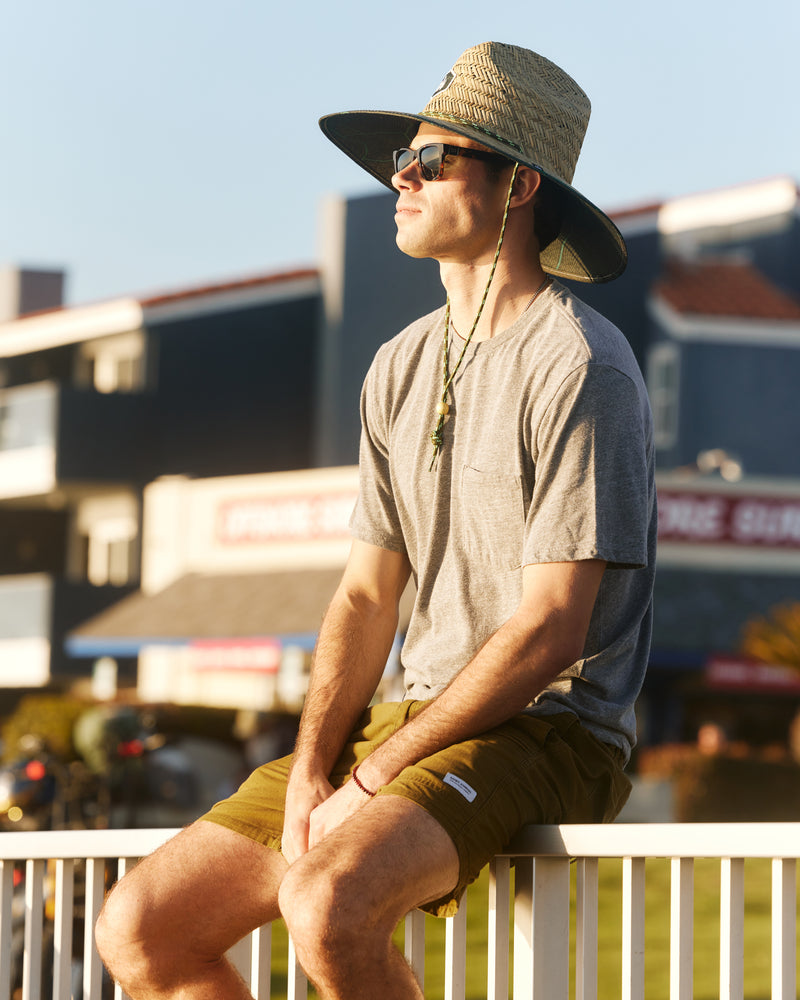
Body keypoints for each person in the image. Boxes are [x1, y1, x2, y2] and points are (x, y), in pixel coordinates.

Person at [95, 41, 656, 1000]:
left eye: (434, 159)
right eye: (404, 157)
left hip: (551, 728)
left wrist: (371, 778)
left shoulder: (581, 367)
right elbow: (365, 594)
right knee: (141, 930)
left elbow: (550, 631)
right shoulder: (398, 364)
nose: (401, 174)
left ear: (517, 185)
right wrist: (318, 768)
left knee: (326, 904)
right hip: (401, 719)